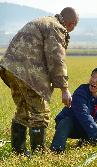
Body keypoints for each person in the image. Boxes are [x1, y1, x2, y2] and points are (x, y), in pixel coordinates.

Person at [0, 7, 79, 156]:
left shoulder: (45, 21)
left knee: (23, 109)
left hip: (9, 68)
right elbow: (56, 59)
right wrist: (64, 88)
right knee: (40, 113)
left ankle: (19, 151)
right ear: (72, 24)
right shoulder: (56, 28)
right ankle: (39, 154)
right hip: (28, 73)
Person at [50, 66, 97, 153]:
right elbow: (84, 116)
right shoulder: (81, 92)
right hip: (71, 127)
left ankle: (85, 142)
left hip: (86, 128)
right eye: (92, 77)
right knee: (66, 121)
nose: (93, 80)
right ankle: (56, 150)